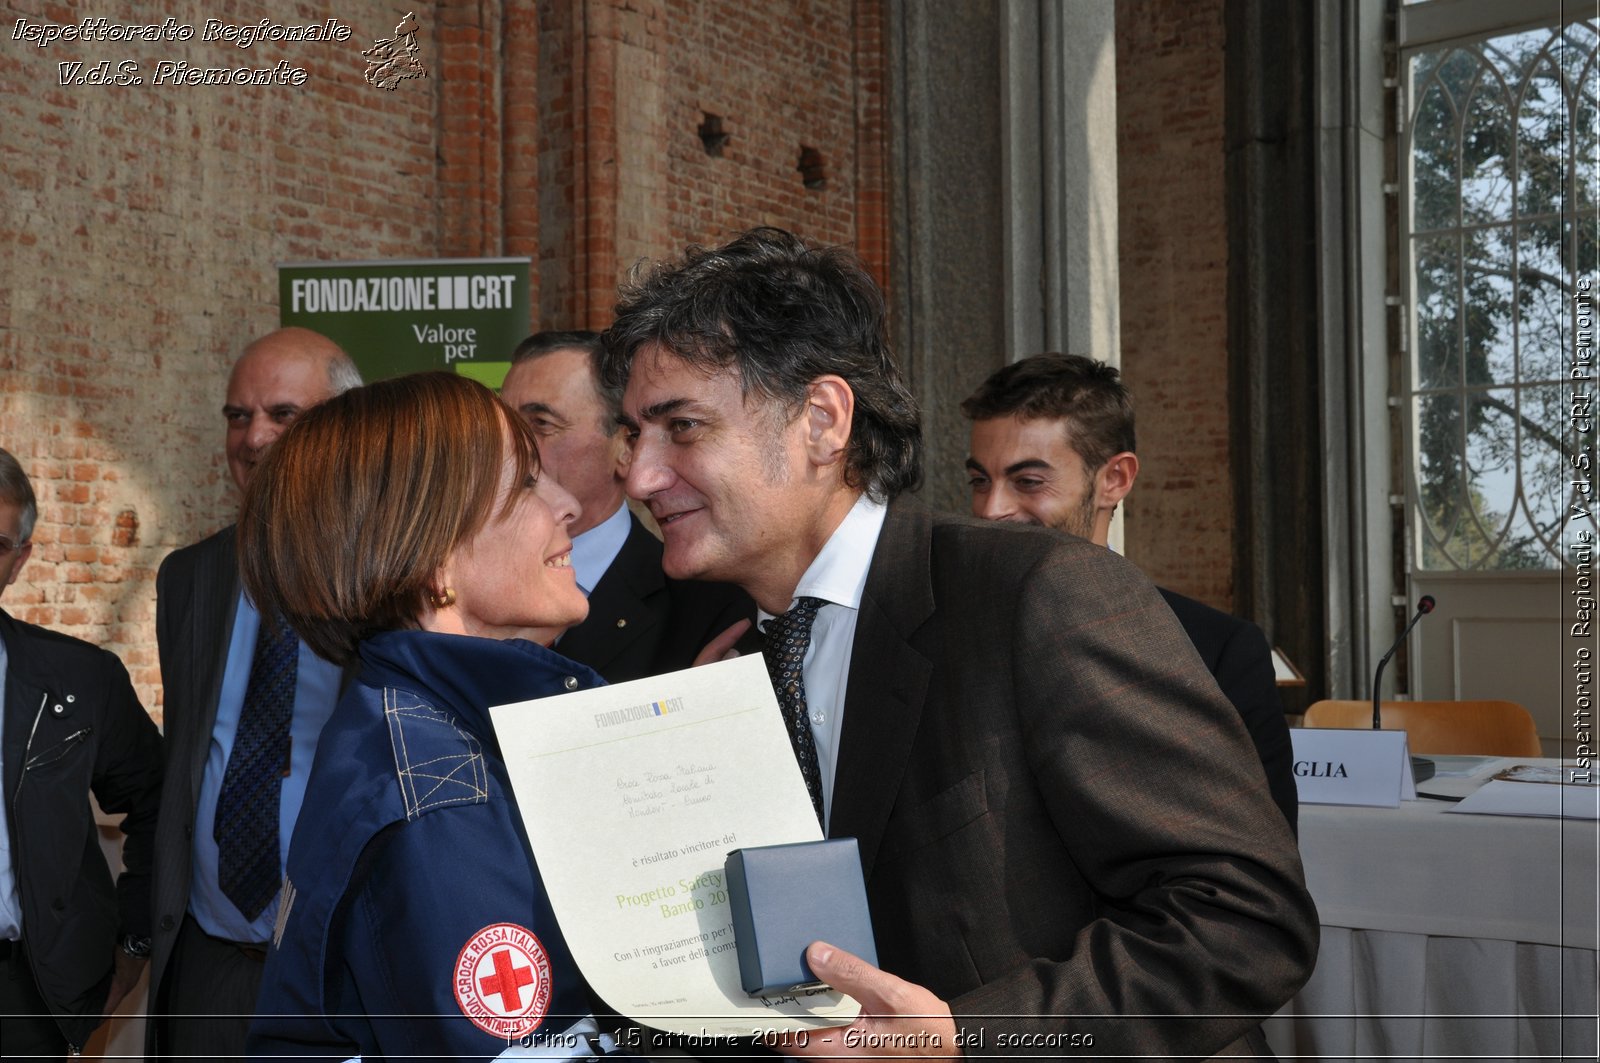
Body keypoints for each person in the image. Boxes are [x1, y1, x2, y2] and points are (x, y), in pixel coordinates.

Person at [600, 227, 1318, 1058]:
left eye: (681, 427)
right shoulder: (735, 657)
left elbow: (1246, 917)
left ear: (822, 421)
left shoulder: (1037, 595)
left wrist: (972, 1039)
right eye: (633, 436)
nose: (642, 475)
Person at [239, 372, 630, 1059]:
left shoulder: (411, 726)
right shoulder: (438, 789)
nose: (567, 504)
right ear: (436, 557)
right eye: (528, 485)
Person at [962, 352, 1298, 832]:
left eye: (1028, 481)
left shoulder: (1218, 653)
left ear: (1114, 480)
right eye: (980, 480)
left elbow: (1261, 857)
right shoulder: (948, 634)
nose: (992, 508)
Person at [147, 328, 361, 1057]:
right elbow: (188, 759)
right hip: (207, 963)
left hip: (338, 969)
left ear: (346, 423)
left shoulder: (389, 580)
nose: (254, 436)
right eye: (238, 416)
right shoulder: (189, 578)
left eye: (283, 413)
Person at [0, 447, 163, 1058]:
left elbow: (158, 799)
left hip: (23, 996)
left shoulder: (80, 679)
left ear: (20, 561)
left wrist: (133, 946)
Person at [500, 331, 753, 682]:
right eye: (502, 426)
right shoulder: (460, 588)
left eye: (540, 424)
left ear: (626, 450)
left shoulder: (712, 613)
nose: (508, 448)